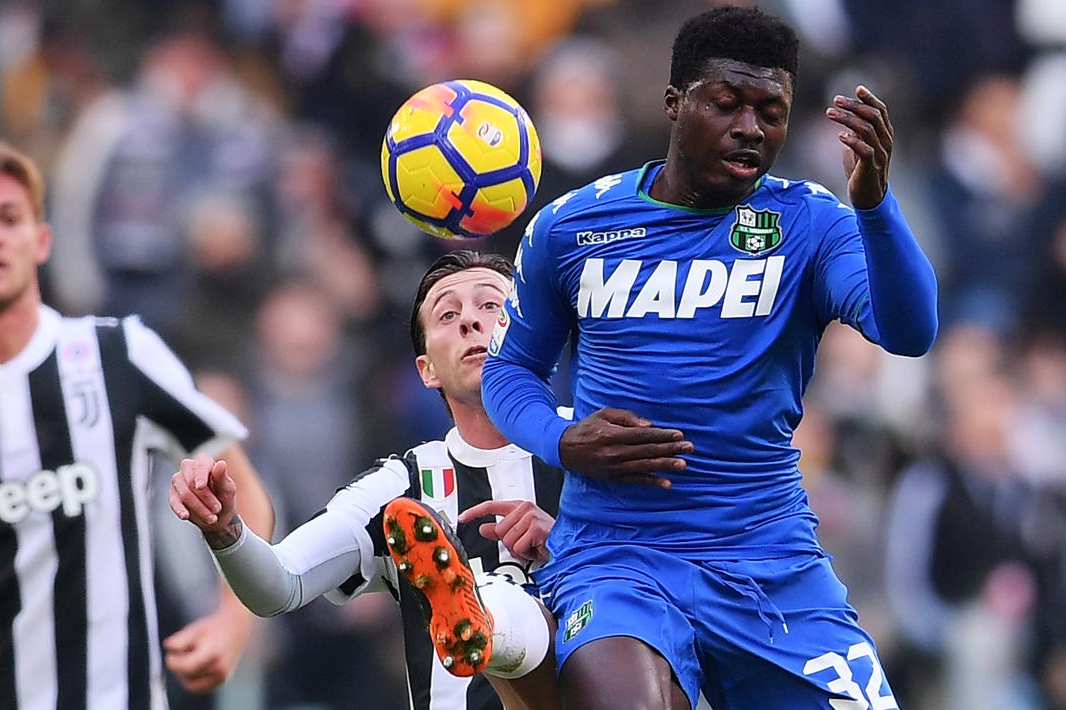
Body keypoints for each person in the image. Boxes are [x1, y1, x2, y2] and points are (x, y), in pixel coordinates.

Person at [481, 6, 938, 709]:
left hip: (767, 560)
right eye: (726, 104)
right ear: (674, 103)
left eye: (771, 111)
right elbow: (509, 371)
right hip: (614, 558)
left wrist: (874, 207)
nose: (750, 128)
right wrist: (563, 441)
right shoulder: (572, 226)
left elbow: (907, 330)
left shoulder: (810, 224)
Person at [0, 141, 275, 710]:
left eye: (8, 218)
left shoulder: (119, 352)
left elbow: (244, 489)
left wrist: (234, 621)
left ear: (41, 240)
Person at [172, 250, 641, 710]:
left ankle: (487, 617)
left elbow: (687, 565)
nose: (469, 322)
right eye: (447, 314)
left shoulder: (601, 445)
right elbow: (280, 585)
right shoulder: (401, 488)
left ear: (536, 336)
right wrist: (225, 530)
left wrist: (567, 543)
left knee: (528, 608)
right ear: (427, 370)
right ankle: (483, 616)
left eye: (492, 305)